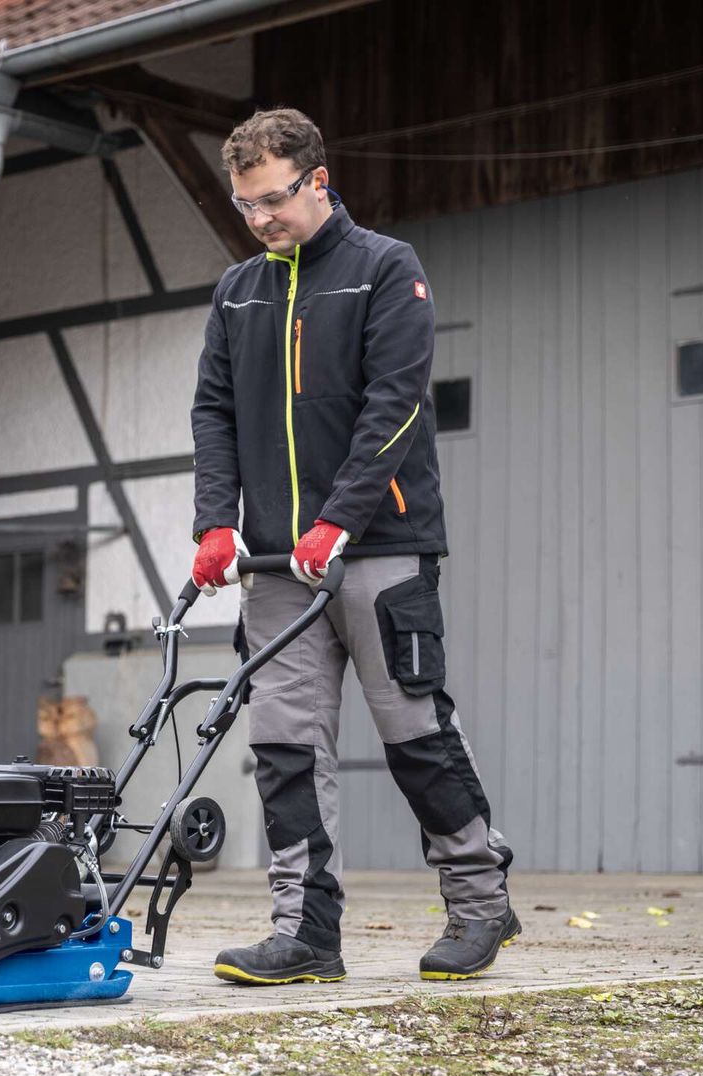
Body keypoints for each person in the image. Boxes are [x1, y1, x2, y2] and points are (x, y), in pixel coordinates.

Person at [189, 108, 519, 984]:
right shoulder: (237, 294)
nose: (261, 219)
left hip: (381, 546)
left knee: (414, 731)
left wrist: (340, 517)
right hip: (276, 566)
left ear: (318, 181)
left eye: (274, 200)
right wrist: (216, 521)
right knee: (285, 748)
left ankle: (482, 904)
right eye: (245, 205)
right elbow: (213, 414)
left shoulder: (384, 269)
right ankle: (305, 931)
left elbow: (397, 401)